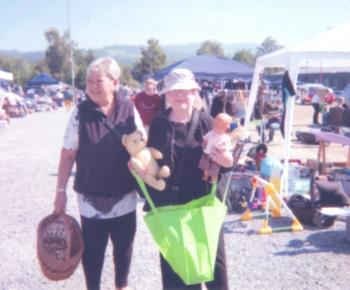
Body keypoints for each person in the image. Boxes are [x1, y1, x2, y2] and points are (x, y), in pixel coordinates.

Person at [53, 57, 145, 290]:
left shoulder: (129, 109)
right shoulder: (80, 113)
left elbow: (143, 143)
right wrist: (60, 191)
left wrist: (141, 162)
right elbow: (67, 155)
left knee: (124, 249)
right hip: (91, 199)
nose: (93, 85)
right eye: (90, 81)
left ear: (115, 82)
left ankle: (121, 286)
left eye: (99, 80)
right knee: (93, 253)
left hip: (124, 195)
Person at [145, 68, 232, 290]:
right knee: (177, 269)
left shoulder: (206, 122)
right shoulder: (158, 124)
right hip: (171, 207)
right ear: (166, 94)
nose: (181, 95)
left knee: (212, 265)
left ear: (195, 93)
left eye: (186, 90)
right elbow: (151, 163)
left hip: (203, 204)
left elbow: (224, 164)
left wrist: (225, 161)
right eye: (175, 90)